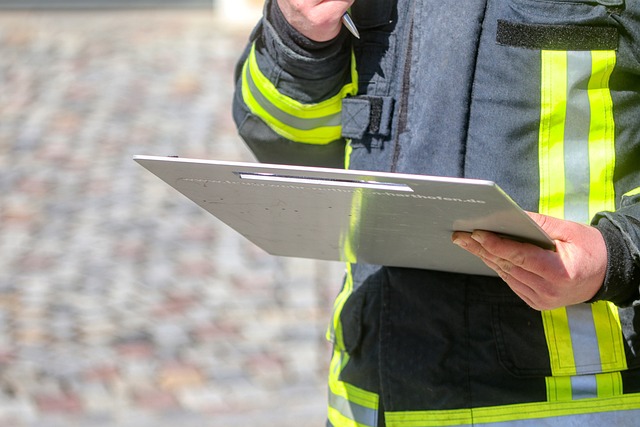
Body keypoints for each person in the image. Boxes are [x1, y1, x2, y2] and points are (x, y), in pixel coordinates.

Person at [232, 0, 640, 425]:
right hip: (371, 393)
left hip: (578, 399)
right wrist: (299, 38)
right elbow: (284, 145)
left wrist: (618, 254)